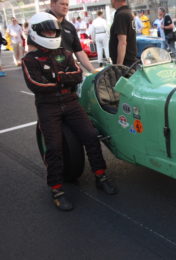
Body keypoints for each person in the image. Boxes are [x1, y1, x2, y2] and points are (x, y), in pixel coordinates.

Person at [22, 12, 118, 211]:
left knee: (91, 136)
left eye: (52, 31)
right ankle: (56, 190)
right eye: (46, 31)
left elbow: (77, 75)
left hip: (71, 102)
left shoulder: (64, 53)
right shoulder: (29, 60)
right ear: (37, 33)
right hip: (48, 107)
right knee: (54, 148)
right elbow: (37, 85)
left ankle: (101, 176)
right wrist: (63, 78)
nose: (50, 34)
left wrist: (56, 77)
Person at [48, 0, 96, 73]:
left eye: (67, 5)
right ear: (52, 4)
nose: (65, 7)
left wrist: (93, 71)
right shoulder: (42, 23)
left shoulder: (70, 26)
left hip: (68, 74)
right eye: (62, 4)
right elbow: (32, 50)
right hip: (49, 73)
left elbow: (79, 51)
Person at [109, 0, 137, 66]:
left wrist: (119, 65)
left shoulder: (121, 15)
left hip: (125, 61)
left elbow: (122, 42)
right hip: (129, 59)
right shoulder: (128, 12)